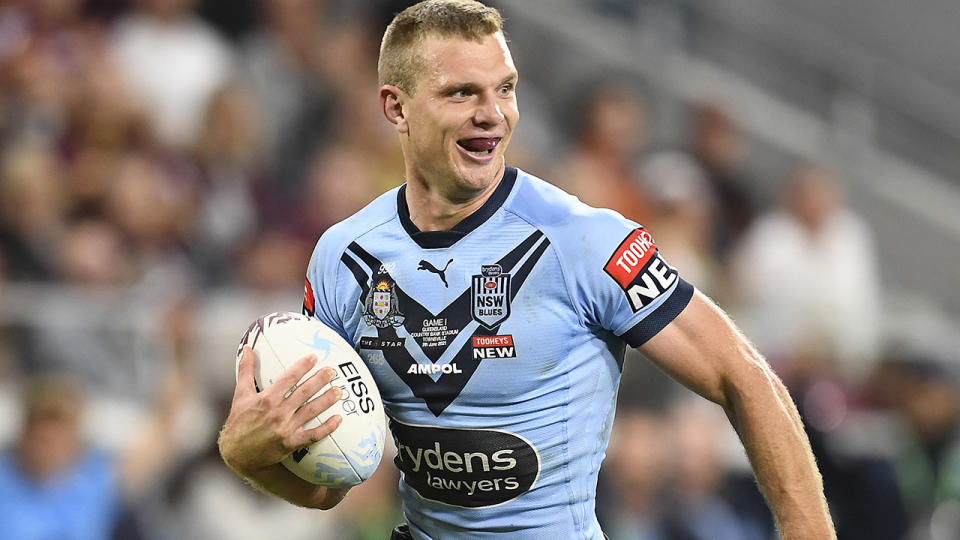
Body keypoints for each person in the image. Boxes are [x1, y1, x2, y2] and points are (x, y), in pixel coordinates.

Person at [217, 1, 836, 539]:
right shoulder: (341, 260)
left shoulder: (584, 242)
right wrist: (249, 457)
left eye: (505, 89)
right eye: (463, 93)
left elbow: (744, 377)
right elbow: (330, 481)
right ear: (396, 108)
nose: (494, 114)